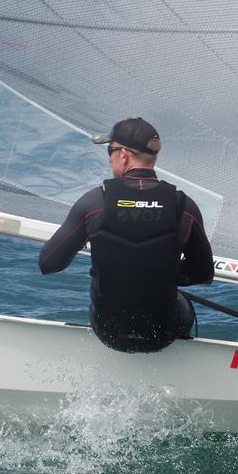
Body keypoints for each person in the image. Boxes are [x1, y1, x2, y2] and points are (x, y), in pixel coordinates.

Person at [39, 117, 214, 353]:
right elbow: (203, 273)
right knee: (181, 304)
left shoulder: (94, 203)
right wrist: (162, 273)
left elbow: (49, 263)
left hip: (108, 331)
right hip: (161, 333)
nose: (110, 158)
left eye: (109, 151)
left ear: (123, 154)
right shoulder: (184, 206)